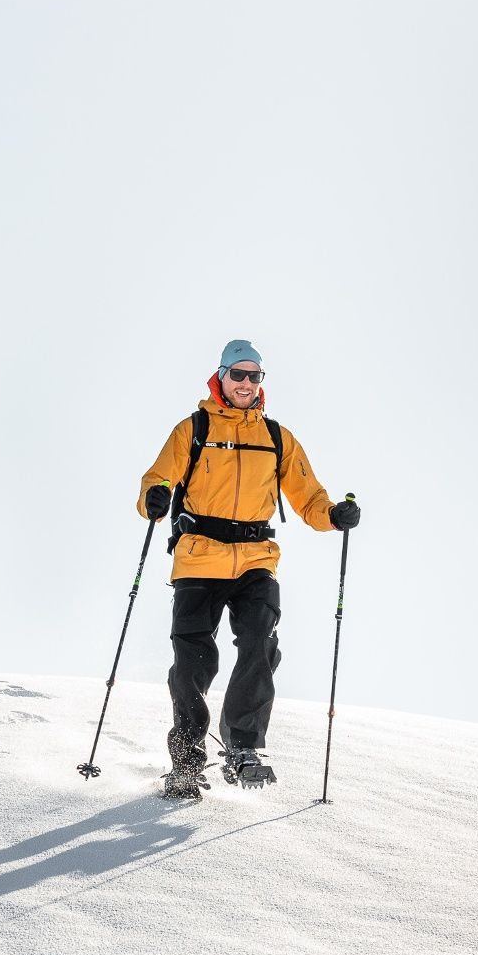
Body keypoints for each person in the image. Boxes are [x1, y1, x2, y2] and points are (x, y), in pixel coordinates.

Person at [137, 339, 360, 797]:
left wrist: (334, 515)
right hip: (199, 556)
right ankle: (186, 762)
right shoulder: (194, 428)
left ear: (261, 382)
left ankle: (242, 746)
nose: (245, 383)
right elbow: (157, 477)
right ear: (220, 378)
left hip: (256, 558)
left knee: (260, 642)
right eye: (237, 374)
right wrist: (154, 498)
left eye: (254, 375)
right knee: (192, 662)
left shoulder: (277, 438)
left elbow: (310, 498)